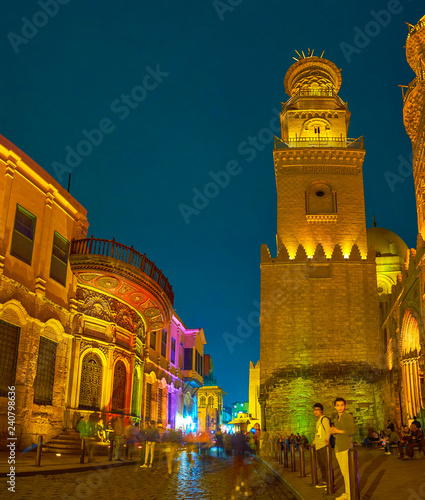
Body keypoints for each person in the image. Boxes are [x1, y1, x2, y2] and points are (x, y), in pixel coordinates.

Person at [329, 397, 355, 500]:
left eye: (342, 405)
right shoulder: (336, 419)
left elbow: (351, 431)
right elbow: (338, 434)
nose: (340, 407)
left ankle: (349, 494)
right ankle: (347, 492)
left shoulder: (347, 416)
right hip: (338, 447)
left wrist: (337, 431)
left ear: (345, 406)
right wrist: (334, 432)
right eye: (338, 405)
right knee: (344, 472)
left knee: (347, 472)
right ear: (335, 407)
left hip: (345, 447)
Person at [312, 403, 331, 489]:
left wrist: (327, 441)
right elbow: (318, 433)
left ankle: (330, 483)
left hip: (323, 445)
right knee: (321, 465)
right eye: (315, 409)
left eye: (317, 409)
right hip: (318, 446)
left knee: (326, 465)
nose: (316, 411)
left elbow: (328, 430)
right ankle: (324, 481)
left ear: (321, 410)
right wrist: (314, 442)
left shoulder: (324, 419)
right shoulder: (318, 421)